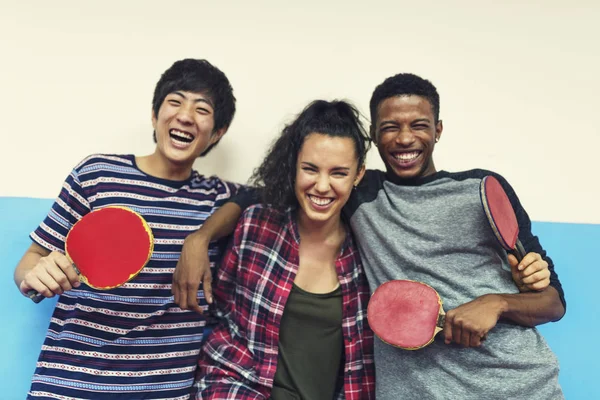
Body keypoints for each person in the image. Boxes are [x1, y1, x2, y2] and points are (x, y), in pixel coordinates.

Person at [175, 73, 565, 399]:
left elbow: (552, 301)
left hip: (518, 384)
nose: (405, 139)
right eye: (391, 128)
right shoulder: (362, 195)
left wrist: (497, 302)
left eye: (419, 125)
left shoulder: (481, 189)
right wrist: (199, 237)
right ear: (376, 138)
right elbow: (262, 192)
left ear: (439, 130)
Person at [13, 58, 240, 399]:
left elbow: (265, 194)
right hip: (68, 385)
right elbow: (30, 261)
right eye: (175, 101)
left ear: (217, 132)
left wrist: (199, 238)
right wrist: (33, 276)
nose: (185, 115)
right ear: (155, 115)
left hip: (163, 391)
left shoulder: (218, 199)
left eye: (202, 109)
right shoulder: (97, 174)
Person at [192, 100, 374, 399]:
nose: (322, 186)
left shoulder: (368, 249)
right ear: (294, 167)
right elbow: (220, 315)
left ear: (358, 175)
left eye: (339, 173)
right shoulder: (256, 226)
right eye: (310, 169)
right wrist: (198, 238)